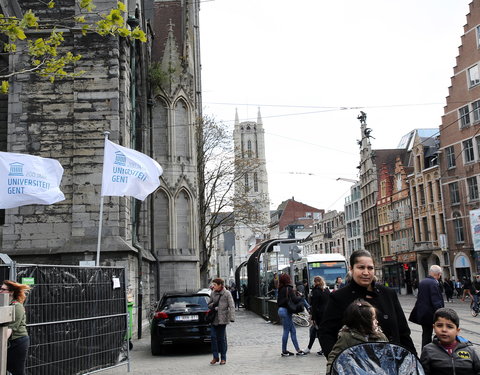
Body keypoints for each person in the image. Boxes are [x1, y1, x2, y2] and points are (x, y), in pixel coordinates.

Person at [319, 249, 416, 358]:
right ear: (351, 269)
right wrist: (339, 362)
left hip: (392, 362)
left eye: (370, 268)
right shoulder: (339, 297)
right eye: (361, 267)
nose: (366, 272)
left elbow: (403, 333)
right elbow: (326, 333)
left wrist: (413, 361)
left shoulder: (388, 294)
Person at [326, 299, 388, 374]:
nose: (377, 321)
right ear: (363, 322)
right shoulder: (347, 337)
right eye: (373, 319)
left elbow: (388, 356)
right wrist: (331, 371)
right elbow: (334, 357)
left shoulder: (380, 336)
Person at [420, 307, 480, 374]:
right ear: (434, 328)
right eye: (439, 325)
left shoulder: (470, 350)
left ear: (457, 331)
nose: (444, 330)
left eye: (450, 327)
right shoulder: (428, 350)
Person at [409, 265, 444, 349]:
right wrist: (441, 313)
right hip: (431, 314)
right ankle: (438, 351)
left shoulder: (423, 282)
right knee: (441, 332)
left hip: (422, 313)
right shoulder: (434, 283)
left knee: (426, 334)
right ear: (438, 274)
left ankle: (425, 351)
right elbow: (436, 300)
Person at [1, 280, 30, 375]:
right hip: (9, 342)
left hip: (18, 342)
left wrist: (2, 341)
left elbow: (9, 329)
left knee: (18, 371)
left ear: (11, 292)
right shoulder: (6, 305)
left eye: (3, 289)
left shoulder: (17, 306)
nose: (0, 291)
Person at [277, 273, 307, 357]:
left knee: (291, 330)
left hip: (280, 310)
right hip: (286, 311)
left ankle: (295, 350)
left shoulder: (280, 288)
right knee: (287, 331)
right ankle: (286, 351)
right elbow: (295, 300)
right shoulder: (288, 288)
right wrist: (301, 297)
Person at [208, 278, 235, 365]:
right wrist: (214, 306)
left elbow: (232, 306)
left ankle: (223, 358)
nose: (213, 286)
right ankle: (215, 357)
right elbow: (208, 304)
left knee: (221, 339)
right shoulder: (213, 293)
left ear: (220, 285)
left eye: (215, 285)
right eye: (213, 285)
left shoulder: (227, 293)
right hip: (214, 319)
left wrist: (232, 317)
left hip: (223, 319)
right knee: (213, 337)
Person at [303, 276, 330, 356]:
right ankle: (310, 348)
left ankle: (323, 349)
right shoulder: (327, 290)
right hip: (325, 314)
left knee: (319, 332)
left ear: (315, 282)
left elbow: (314, 305)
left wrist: (313, 317)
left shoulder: (316, 291)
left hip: (318, 315)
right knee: (314, 331)